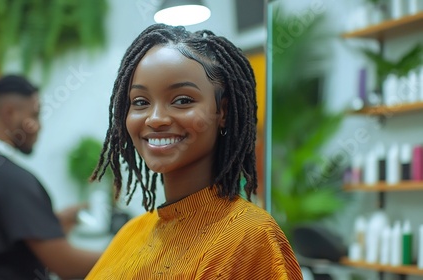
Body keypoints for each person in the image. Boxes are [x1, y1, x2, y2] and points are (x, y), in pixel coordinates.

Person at [85, 24, 302, 279]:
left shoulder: (249, 236)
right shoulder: (131, 232)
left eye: (182, 100)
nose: (155, 119)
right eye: (141, 102)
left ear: (222, 111)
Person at [0, 75, 100, 280]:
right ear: (10, 113)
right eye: (35, 116)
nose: (39, 126)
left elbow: (2, 237)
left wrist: (53, 221)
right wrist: (128, 254)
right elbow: (65, 264)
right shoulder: (7, 177)